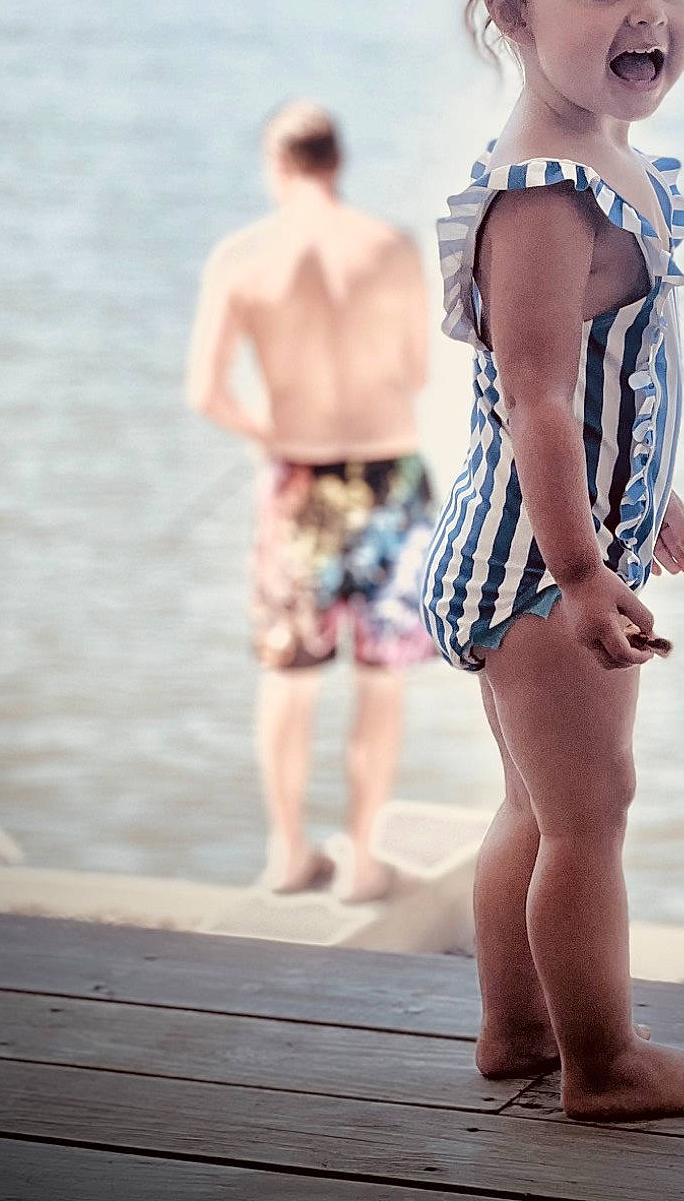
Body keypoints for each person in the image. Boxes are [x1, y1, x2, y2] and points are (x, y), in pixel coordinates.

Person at [420, 0, 684, 1121]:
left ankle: (515, 1031)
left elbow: (605, 392)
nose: (649, 13)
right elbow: (541, 404)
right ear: (513, 9)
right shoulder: (546, 199)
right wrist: (581, 573)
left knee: (534, 805)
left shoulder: (604, 159)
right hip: (536, 570)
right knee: (591, 814)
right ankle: (602, 1064)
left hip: (531, 546)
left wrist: (648, 501)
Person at [187, 100, 435, 899]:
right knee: (380, 678)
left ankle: (288, 853)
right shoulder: (392, 247)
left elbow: (205, 391)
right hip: (389, 479)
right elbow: (419, 371)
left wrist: (268, 430)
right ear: (338, 162)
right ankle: (363, 861)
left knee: (290, 680)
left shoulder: (242, 256)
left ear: (277, 166)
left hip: (302, 482)